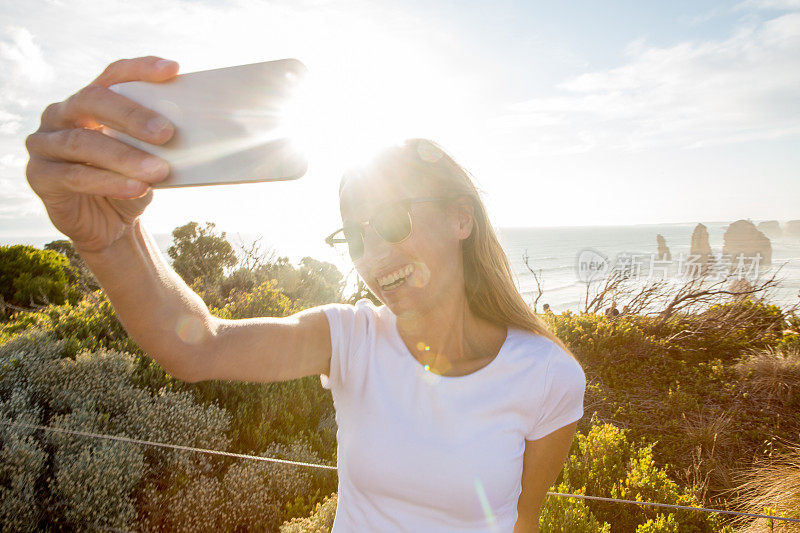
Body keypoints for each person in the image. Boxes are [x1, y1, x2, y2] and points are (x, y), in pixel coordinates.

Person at [25, 56, 586, 533]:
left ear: (461, 218)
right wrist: (112, 238)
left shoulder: (547, 377)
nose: (374, 255)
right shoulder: (349, 339)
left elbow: (521, 523)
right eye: (356, 235)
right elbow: (200, 348)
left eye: (391, 220)